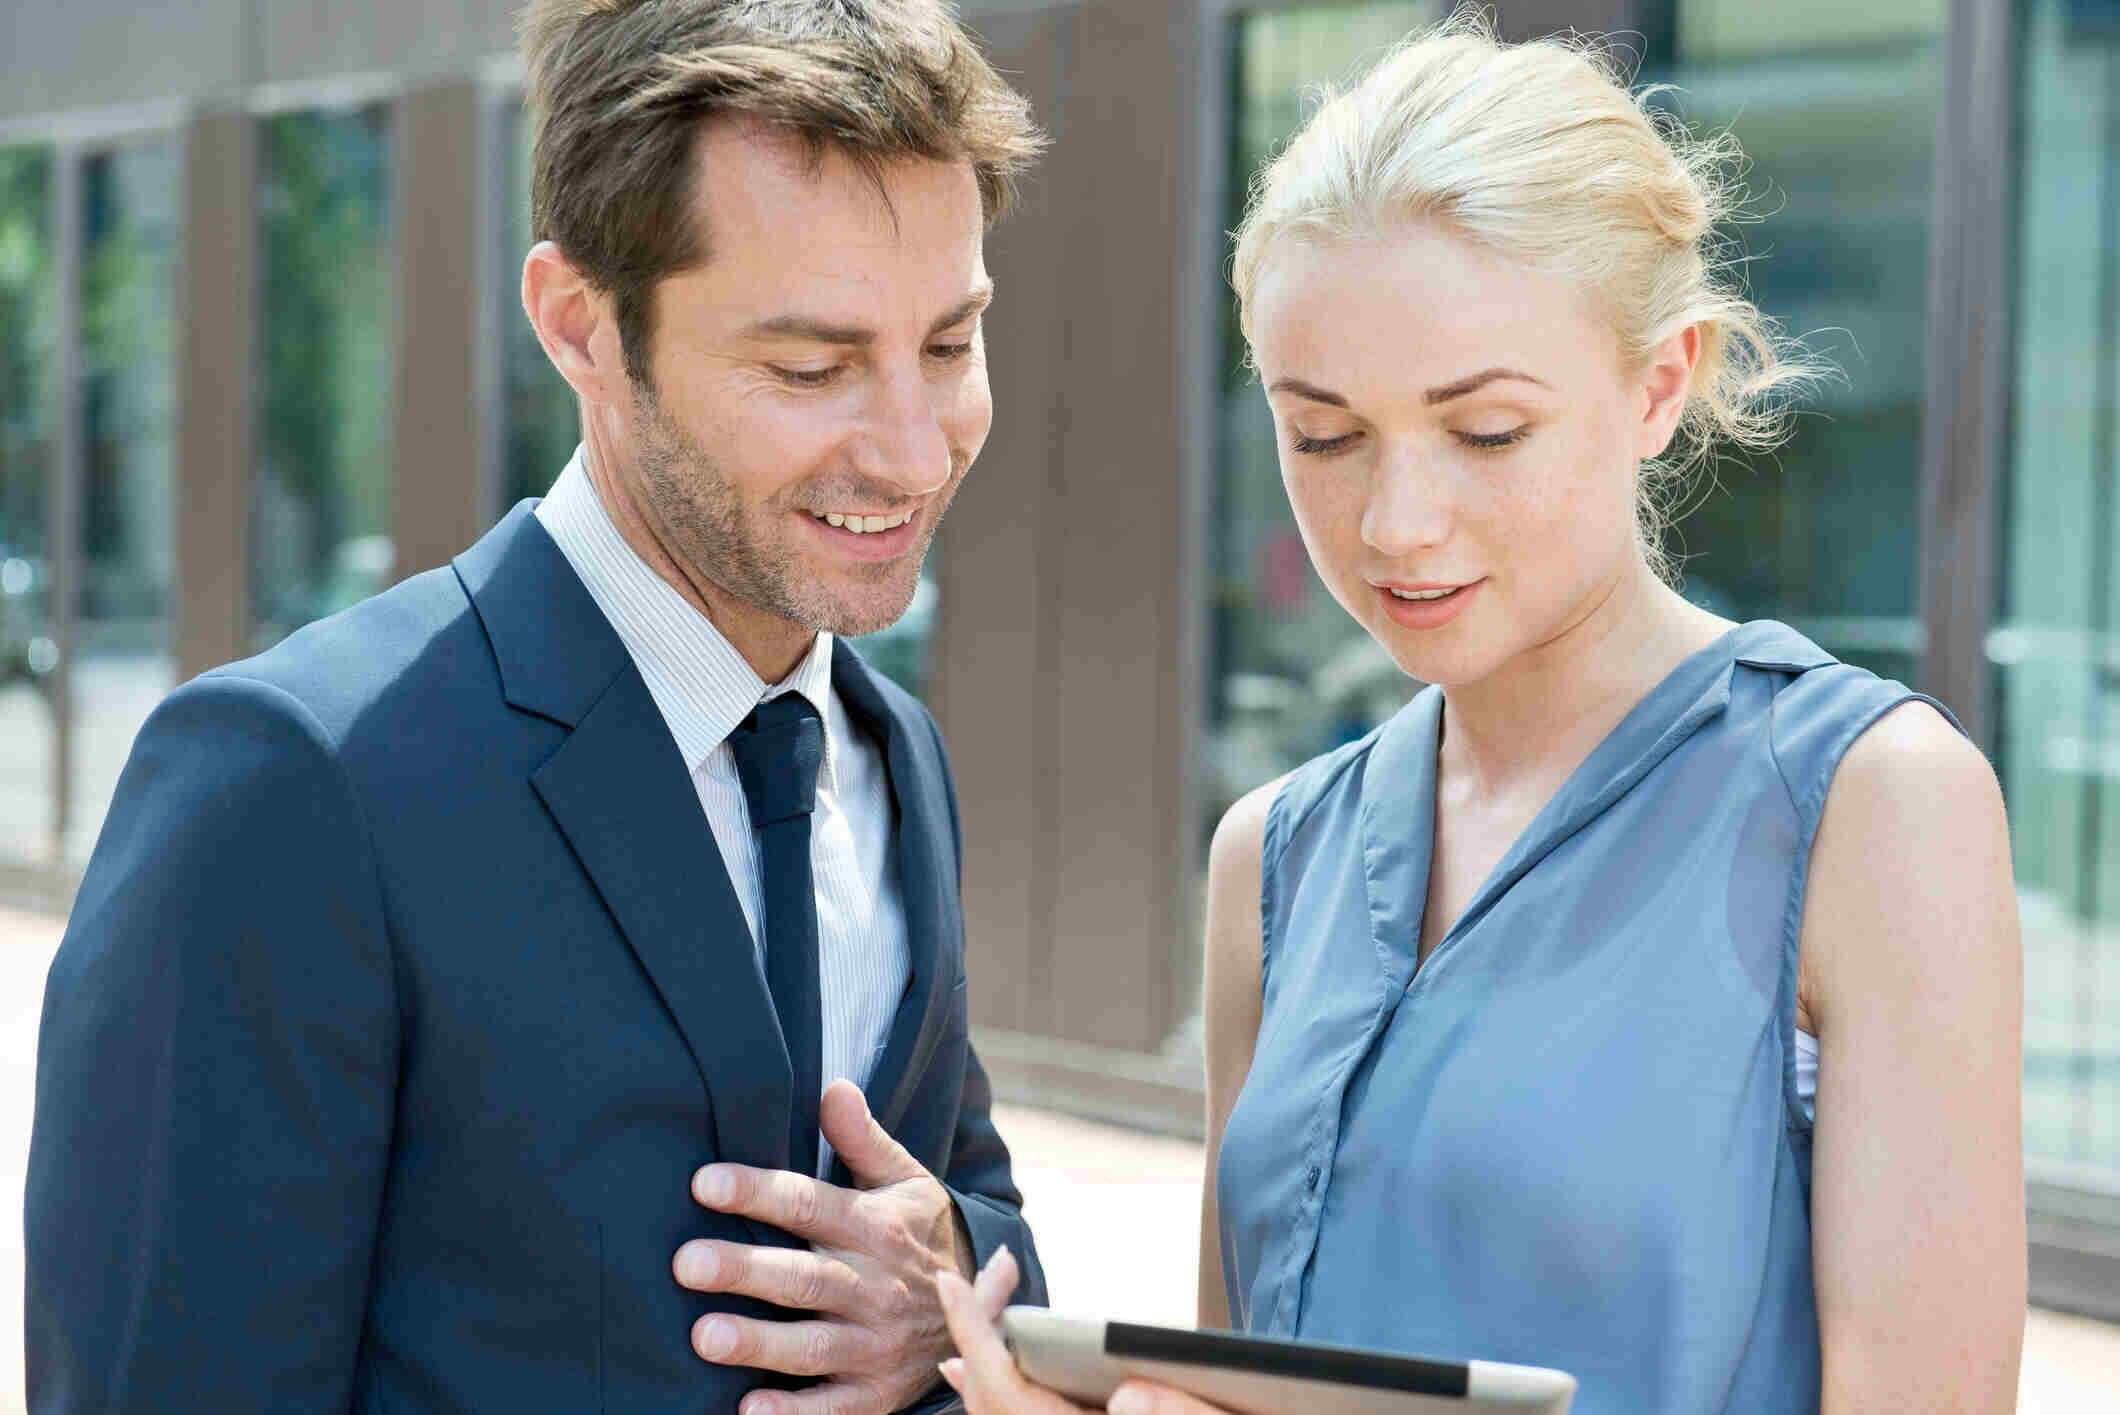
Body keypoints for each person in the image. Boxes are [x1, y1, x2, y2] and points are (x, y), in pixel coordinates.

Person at [936, 15, 2024, 1415]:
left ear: (1660, 382)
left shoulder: (1868, 804)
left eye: (1487, 431)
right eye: (1321, 434)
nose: (1396, 522)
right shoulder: (1273, 859)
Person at [26, 2, 1049, 1410]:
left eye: (949, 345)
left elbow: (969, 1215)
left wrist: (947, 1294)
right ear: (581, 325)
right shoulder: (292, 784)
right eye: (811, 367)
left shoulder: (890, 754)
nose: (915, 451)